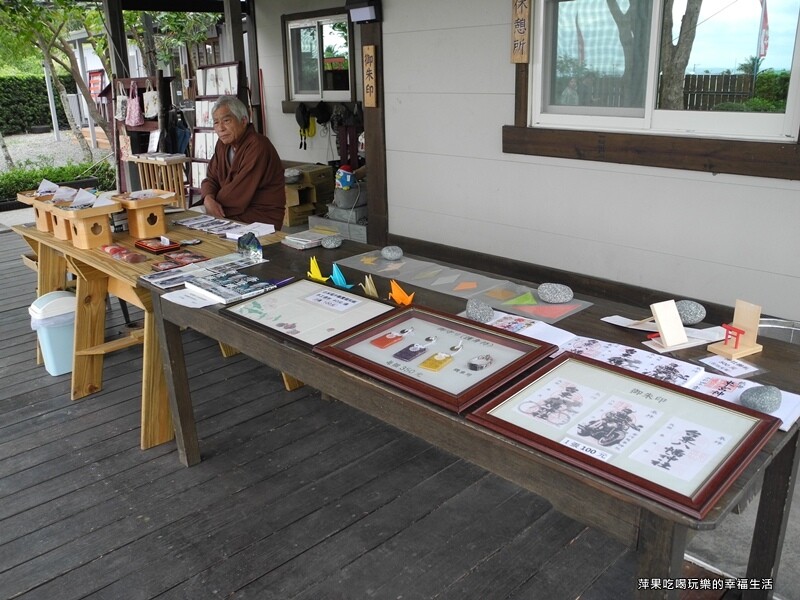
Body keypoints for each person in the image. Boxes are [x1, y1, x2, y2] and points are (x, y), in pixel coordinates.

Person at [200, 96, 285, 227]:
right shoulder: (222, 144)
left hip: (259, 216)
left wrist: (212, 205)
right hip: (229, 209)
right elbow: (211, 178)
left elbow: (239, 191)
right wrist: (208, 198)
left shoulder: (258, 145)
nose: (220, 128)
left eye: (226, 121)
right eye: (216, 122)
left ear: (243, 120)